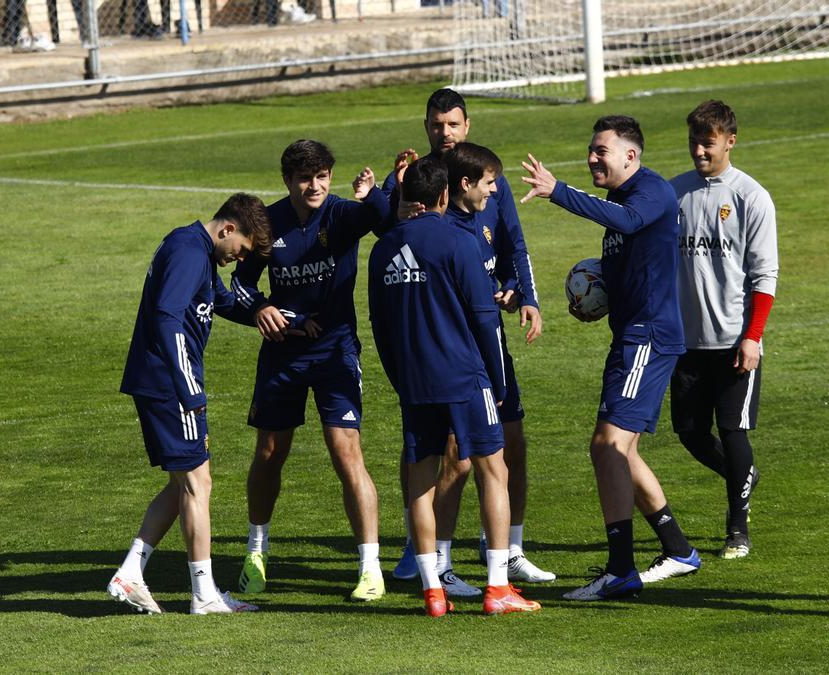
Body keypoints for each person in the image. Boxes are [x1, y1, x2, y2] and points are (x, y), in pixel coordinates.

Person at [521, 115, 699, 599]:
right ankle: (679, 550)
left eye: (602, 150)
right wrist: (595, 296)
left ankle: (621, 568)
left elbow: (627, 222)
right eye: (592, 149)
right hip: (630, 337)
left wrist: (560, 192)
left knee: (608, 446)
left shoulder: (651, 193)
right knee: (621, 449)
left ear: (630, 156)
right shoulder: (621, 198)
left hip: (649, 338)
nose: (593, 157)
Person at [384, 88, 552, 594]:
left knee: (509, 444)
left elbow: (513, 247)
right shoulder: (424, 203)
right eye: (437, 124)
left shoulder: (487, 184)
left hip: (485, 336)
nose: (445, 133)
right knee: (452, 454)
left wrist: (525, 294)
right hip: (461, 349)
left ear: (466, 124)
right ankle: (438, 558)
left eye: (453, 124)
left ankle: (509, 550)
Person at [230, 140, 390, 602]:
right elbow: (239, 283)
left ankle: (369, 567)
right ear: (288, 181)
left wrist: (371, 193)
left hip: (335, 352)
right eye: (305, 178)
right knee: (269, 453)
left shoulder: (342, 214)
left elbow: (384, 221)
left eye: (322, 176)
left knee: (346, 453)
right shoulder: (268, 224)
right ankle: (256, 554)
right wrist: (261, 307)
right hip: (283, 355)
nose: (315, 186)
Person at [109, 193, 272, 615]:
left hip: (164, 382)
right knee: (197, 484)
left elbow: (218, 299)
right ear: (228, 229)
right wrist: (189, 388)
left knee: (185, 483)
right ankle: (204, 595)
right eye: (241, 250)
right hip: (169, 384)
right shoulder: (187, 251)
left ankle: (131, 572)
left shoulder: (194, 248)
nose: (238, 259)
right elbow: (167, 317)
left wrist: (265, 312)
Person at [669, 100, 778, 560]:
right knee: (689, 432)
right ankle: (743, 474)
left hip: (735, 342)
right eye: (694, 142)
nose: (699, 151)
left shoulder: (752, 197)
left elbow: (764, 276)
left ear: (730, 141)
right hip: (684, 342)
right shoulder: (674, 193)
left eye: (708, 143)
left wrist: (752, 337)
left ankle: (737, 526)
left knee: (733, 431)